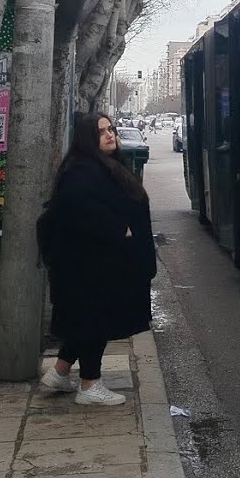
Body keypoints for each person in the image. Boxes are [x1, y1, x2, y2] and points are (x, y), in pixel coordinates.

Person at [39, 112, 157, 406]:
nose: (110, 135)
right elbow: (77, 210)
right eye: (101, 131)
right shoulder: (82, 171)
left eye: (111, 129)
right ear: (87, 138)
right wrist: (121, 229)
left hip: (98, 264)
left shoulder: (99, 166)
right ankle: (90, 384)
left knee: (88, 320)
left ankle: (60, 372)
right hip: (90, 266)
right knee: (96, 323)